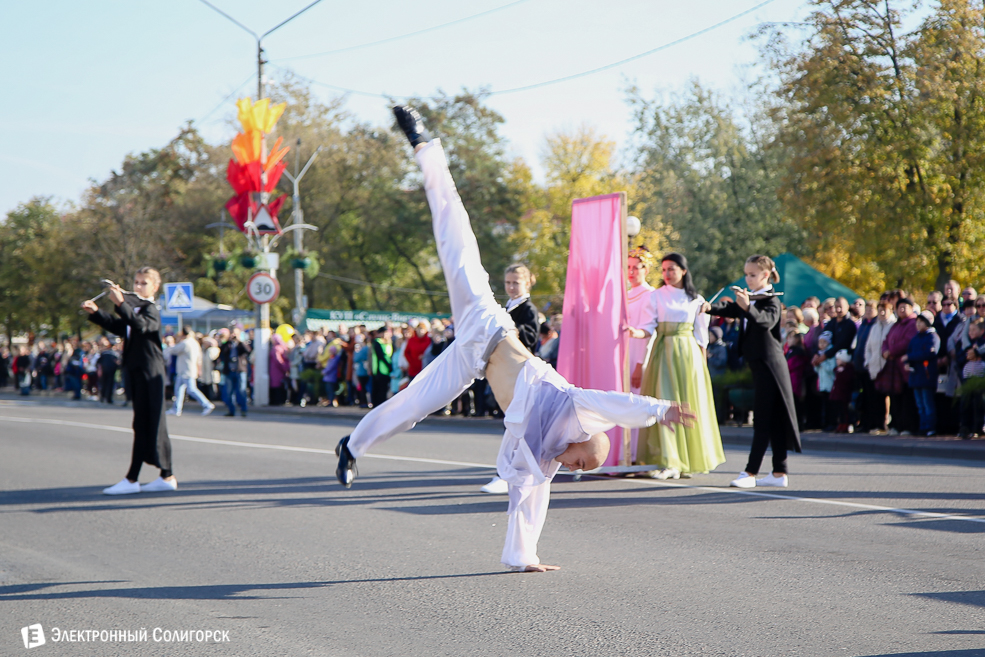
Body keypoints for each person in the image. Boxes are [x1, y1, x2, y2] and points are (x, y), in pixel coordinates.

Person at [334, 106, 694, 572]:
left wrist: (525, 558)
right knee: (455, 233)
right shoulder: (575, 408)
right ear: (585, 440)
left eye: (580, 470)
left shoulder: (544, 459)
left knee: (413, 405)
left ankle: (350, 446)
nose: (574, 469)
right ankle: (423, 144)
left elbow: (529, 502)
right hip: (486, 324)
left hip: (470, 362)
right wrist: (661, 410)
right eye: (583, 463)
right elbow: (615, 403)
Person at [707, 255, 802, 488]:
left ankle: (750, 473)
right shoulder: (752, 299)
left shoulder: (771, 301)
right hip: (760, 366)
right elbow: (730, 309)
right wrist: (708, 307)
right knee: (774, 419)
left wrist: (747, 306)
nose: (748, 279)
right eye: (746, 274)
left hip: (771, 367)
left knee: (762, 419)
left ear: (765, 275)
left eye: (752, 274)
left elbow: (764, 322)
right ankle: (779, 473)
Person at [82, 268, 176, 495]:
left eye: (144, 283)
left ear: (155, 287)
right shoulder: (136, 310)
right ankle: (166, 476)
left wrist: (122, 303)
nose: (138, 286)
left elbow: (141, 326)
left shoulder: (151, 309)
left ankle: (133, 479)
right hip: (138, 372)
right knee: (147, 423)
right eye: (136, 282)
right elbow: (121, 327)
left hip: (150, 373)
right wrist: (96, 313)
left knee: (148, 424)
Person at [633, 252, 724, 480]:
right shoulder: (655, 296)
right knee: (665, 402)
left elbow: (701, 336)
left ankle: (685, 461)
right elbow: (647, 327)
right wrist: (635, 332)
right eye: (664, 269)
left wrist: (702, 367)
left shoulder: (697, 300)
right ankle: (668, 460)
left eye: (671, 269)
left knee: (688, 402)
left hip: (689, 355)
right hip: (663, 353)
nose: (667, 274)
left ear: (683, 271)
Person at [480, 264, 541, 493]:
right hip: (505, 372)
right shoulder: (507, 307)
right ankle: (514, 472)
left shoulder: (528, 309)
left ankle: (507, 474)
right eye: (508, 282)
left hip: (521, 372)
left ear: (527, 283)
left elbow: (531, 338)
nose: (511, 287)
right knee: (515, 423)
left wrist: (510, 328)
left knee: (517, 424)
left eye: (516, 282)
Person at [878, 298, 919, 435]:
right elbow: (886, 339)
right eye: (899, 307)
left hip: (906, 367)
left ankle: (907, 427)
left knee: (907, 398)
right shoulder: (896, 324)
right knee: (895, 397)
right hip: (894, 367)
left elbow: (907, 341)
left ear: (911, 308)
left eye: (904, 307)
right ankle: (896, 425)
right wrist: (884, 351)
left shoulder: (913, 323)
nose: (901, 309)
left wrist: (891, 351)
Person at [165, 327, 216, 416]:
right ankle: (176, 408)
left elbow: (173, 350)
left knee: (191, 389)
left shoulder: (185, 343)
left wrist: (173, 342)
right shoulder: (195, 343)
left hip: (185, 371)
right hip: (189, 370)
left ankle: (207, 404)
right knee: (179, 390)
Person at [906, 311, 940, 436]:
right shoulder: (915, 338)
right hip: (915, 375)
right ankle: (923, 427)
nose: (918, 324)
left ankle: (930, 427)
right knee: (920, 405)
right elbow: (909, 351)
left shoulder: (932, 337)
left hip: (926, 375)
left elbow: (930, 353)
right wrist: (907, 362)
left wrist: (910, 357)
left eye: (921, 322)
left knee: (928, 404)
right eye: (917, 322)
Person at [219, 327, 251, 417]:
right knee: (228, 392)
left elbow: (247, 350)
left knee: (241, 391)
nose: (234, 335)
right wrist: (227, 340)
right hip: (229, 371)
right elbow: (222, 352)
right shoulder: (227, 344)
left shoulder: (241, 344)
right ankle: (231, 410)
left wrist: (239, 341)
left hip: (240, 370)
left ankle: (243, 410)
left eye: (236, 333)